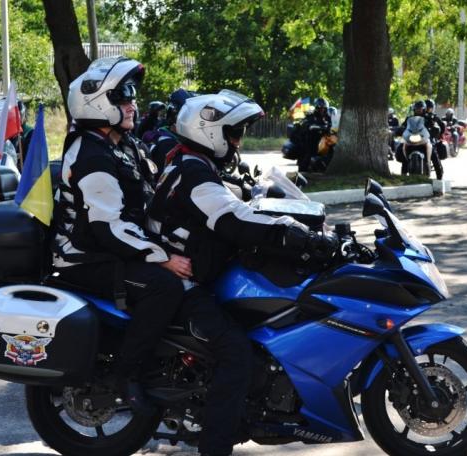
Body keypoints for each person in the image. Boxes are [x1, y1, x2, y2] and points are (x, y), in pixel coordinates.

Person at [148, 90, 338, 456]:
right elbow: (233, 219)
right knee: (236, 352)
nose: (238, 140)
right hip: (183, 283)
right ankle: (215, 447)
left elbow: (230, 201)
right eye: (233, 132)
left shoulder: (192, 162)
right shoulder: (193, 172)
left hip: (194, 272)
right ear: (209, 132)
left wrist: (277, 205)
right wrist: (293, 234)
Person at [51, 56, 192, 415]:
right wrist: (163, 257)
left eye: (131, 96)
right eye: (122, 97)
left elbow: (152, 190)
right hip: (84, 257)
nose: (132, 104)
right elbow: (108, 226)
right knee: (165, 287)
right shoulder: (91, 155)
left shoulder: (121, 144)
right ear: (97, 104)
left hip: (111, 247)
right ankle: (127, 375)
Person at [298, 97, 332, 171]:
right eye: (321, 108)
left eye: (324, 108)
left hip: (324, 138)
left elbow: (331, 124)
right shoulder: (311, 116)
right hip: (313, 138)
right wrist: (313, 126)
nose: (322, 110)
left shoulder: (327, 117)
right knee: (310, 152)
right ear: (317, 108)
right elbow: (307, 125)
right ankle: (303, 170)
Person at [423, 99, 445, 179]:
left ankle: (439, 175)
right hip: (418, 137)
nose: (428, 109)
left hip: (430, 138)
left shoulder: (434, 117)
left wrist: (439, 134)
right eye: (427, 107)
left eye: (430, 108)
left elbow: (442, 126)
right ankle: (404, 172)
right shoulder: (418, 116)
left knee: (433, 153)